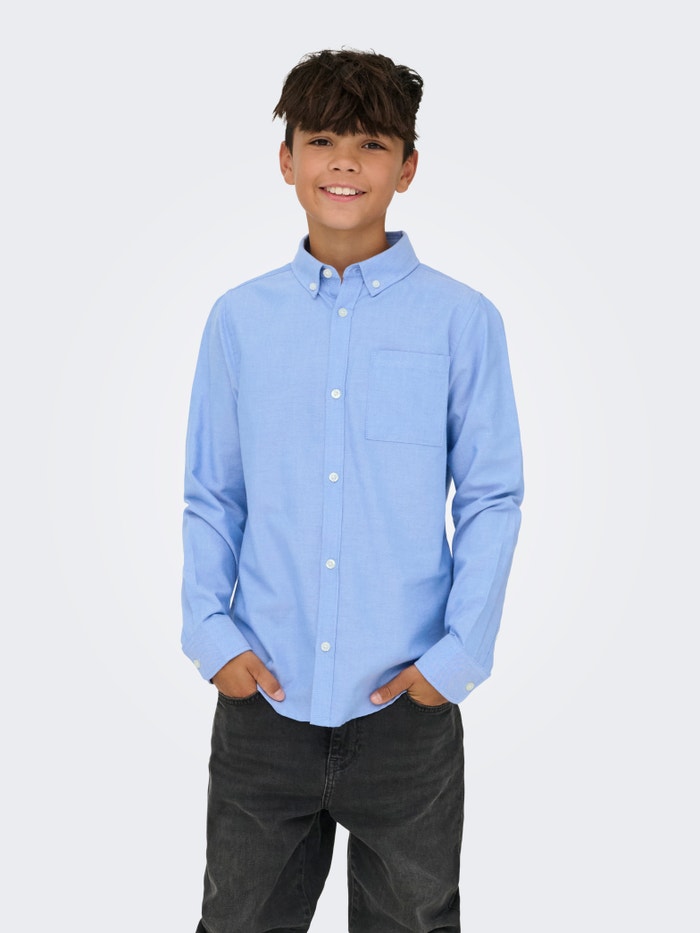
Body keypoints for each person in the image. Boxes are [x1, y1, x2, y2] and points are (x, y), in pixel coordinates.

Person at [182, 48, 524, 933]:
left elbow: (491, 496)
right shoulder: (239, 320)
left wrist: (453, 662)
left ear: (406, 168)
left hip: (407, 710)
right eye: (322, 140)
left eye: (371, 143)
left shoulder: (461, 320)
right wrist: (211, 635)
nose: (344, 162)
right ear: (286, 159)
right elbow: (213, 493)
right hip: (264, 702)